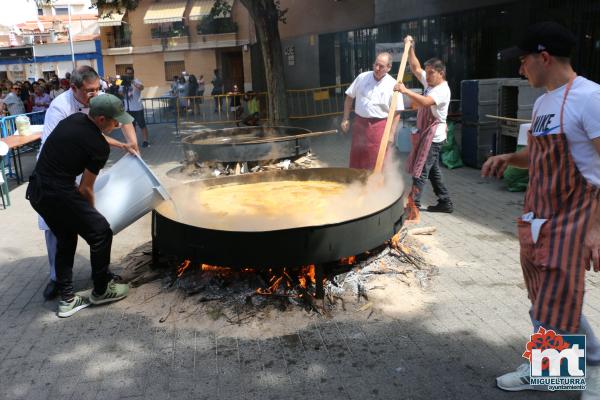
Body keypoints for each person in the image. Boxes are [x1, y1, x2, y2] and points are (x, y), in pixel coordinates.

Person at [483, 22, 600, 397]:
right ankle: (591, 358)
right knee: (547, 295)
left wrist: (597, 230)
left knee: (555, 296)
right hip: (538, 218)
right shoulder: (542, 102)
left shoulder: (590, 98)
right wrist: (508, 157)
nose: (520, 69)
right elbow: (537, 155)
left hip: (575, 218)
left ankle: (559, 371)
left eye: (523, 61)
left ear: (544, 57)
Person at [26, 94, 132, 317]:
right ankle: (102, 289)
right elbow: (85, 189)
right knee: (101, 233)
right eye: (116, 121)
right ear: (102, 119)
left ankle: (67, 299)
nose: (119, 124)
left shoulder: (74, 120)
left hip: (37, 191)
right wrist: (93, 214)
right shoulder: (98, 148)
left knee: (66, 237)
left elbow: (92, 138)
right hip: (58, 193)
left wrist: (121, 144)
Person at [39, 65, 139, 301]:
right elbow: (56, 146)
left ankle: (72, 292)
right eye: (89, 91)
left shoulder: (92, 110)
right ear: (73, 88)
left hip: (54, 179)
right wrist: (89, 209)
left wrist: (129, 144)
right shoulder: (60, 108)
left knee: (68, 232)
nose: (95, 95)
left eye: (97, 89)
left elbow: (99, 130)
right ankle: (66, 280)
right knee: (87, 230)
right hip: (55, 172)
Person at [394, 35, 453, 218]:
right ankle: (445, 202)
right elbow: (415, 67)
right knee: (433, 170)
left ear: (440, 73)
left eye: (430, 73)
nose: (426, 76)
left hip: (433, 136)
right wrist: (411, 48)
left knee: (420, 171)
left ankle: (413, 207)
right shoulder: (430, 82)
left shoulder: (442, 89)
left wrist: (405, 91)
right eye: (427, 73)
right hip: (426, 133)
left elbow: (427, 102)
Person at [340, 52, 403, 170]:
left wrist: (391, 133)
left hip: (380, 126)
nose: (377, 68)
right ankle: (356, 183)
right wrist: (345, 118)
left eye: (381, 66)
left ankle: (375, 185)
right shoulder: (362, 77)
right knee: (357, 155)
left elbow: (397, 111)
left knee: (377, 158)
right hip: (360, 123)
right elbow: (349, 98)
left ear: (389, 68)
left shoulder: (393, 85)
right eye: (376, 64)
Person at [119, 67, 150, 148]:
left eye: (130, 73)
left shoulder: (136, 80)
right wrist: (121, 86)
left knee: (142, 125)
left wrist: (132, 82)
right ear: (125, 73)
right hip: (128, 109)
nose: (128, 75)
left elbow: (141, 87)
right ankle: (133, 142)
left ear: (133, 73)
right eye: (127, 73)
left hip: (137, 108)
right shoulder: (122, 82)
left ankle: (145, 141)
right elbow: (120, 93)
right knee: (131, 127)